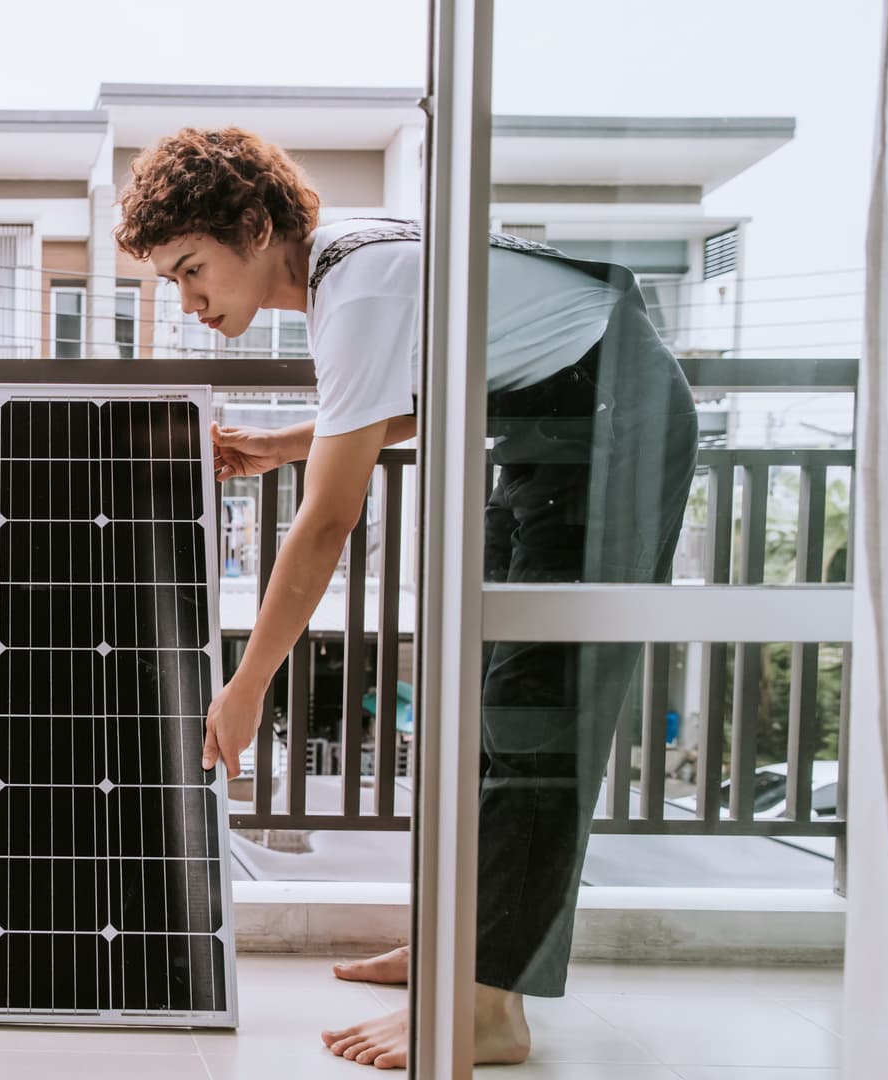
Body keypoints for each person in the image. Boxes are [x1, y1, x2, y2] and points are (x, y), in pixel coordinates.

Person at [115, 127, 696, 1068]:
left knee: (534, 711)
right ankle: (455, 951)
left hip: (613, 421)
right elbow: (404, 405)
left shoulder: (360, 283)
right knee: (481, 704)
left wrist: (248, 682)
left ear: (256, 228)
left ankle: (487, 1005)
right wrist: (276, 446)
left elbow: (328, 521)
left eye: (192, 271)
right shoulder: (347, 268)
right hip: (548, 424)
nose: (187, 303)